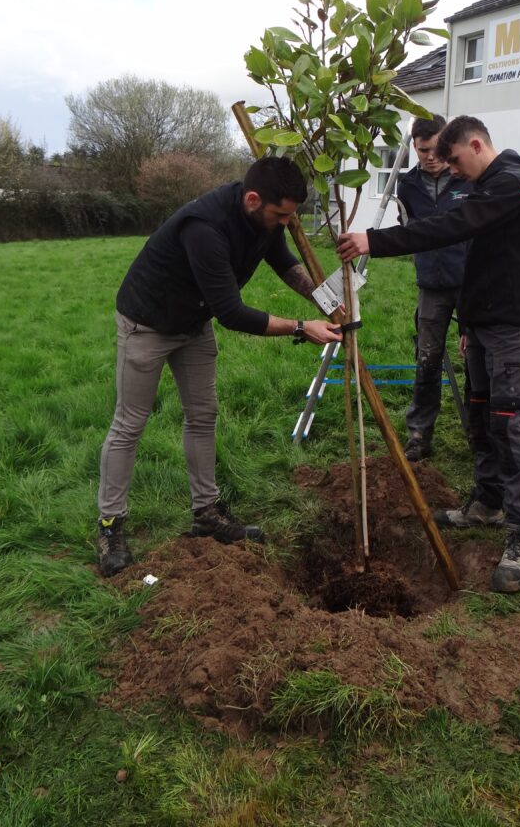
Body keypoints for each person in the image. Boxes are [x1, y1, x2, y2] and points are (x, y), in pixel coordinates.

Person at [97, 156, 343, 577]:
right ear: (252, 200)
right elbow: (231, 312)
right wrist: (303, 327)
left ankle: (205, 512)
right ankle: (110, 525)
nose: (288, 223)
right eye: (282, 214)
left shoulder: (263, 221)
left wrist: (329, 303)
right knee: (130, 423)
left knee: (203, 416)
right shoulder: (205, 228)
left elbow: (284, 263)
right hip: (148, 323)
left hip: (193, 322)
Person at [338, 116, 520, 593]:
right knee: (479, 415)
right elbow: (481, 260)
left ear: (477, 144)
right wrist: (470, 324)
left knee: (508, 422)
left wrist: (376, 240)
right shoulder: (491, 184)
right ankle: (487, 503)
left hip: (512, 327)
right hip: (485, 323)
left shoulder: (512, 185)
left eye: (454, 159)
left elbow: (451, 228)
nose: (450, 169)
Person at [397, 114, 472, 462]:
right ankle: (419, 434)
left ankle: (479, 433)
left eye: (436, 147)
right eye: (422, 149)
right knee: (427, 361)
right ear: (414, 147)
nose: (430, 156)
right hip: (431, 284)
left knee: (477, 360)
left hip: (472, 283)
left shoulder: (466, 178)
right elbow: (408, 227)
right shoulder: (407, 185)